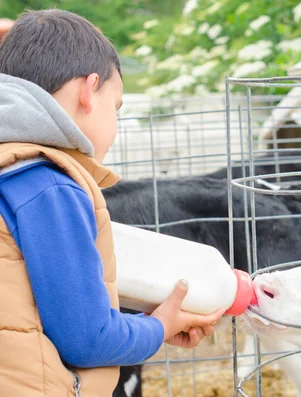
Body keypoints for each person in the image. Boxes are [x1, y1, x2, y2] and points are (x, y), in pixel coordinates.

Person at [0, 9, 225, 396]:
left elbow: (38, 308)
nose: (116, 126)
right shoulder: (47, 184)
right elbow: (87, 339)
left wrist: (141, 324)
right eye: (116, 107)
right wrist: (159, 328)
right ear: (89, 91)